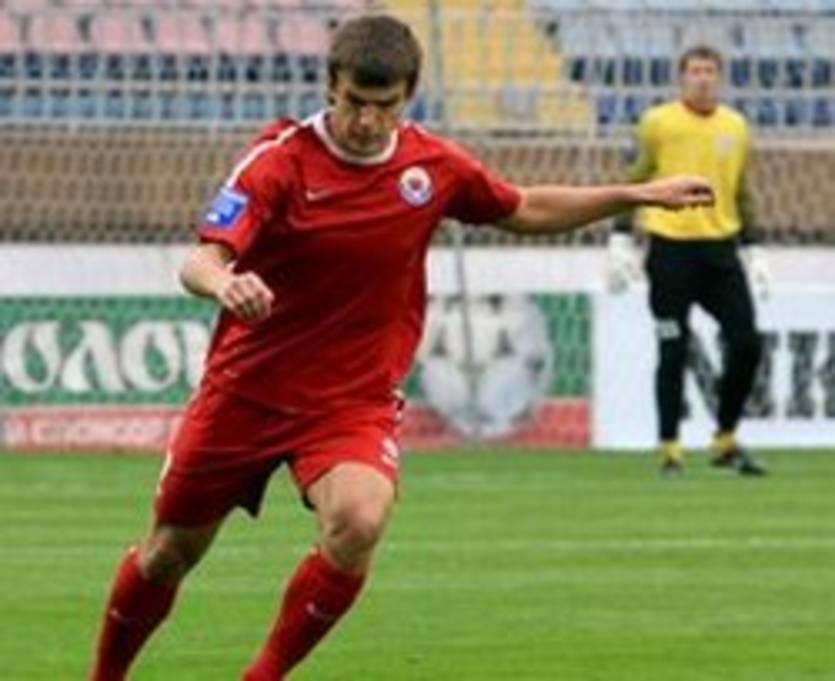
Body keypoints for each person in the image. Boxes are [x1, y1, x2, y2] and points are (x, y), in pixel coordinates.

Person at [89, 15, 715, 680]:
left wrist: (635, 195)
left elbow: (523, 207)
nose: (365, 120)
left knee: (359, 520)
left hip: (349, 402)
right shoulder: (279, 161)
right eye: (353, 102)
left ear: (408, 96)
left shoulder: (432, 167)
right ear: (330, 87)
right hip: (246, 392)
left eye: (383, 106)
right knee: (168, 553)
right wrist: (225, 281)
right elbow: (201, 258)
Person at [606, 45, 768, 478]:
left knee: (747, 343)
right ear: (681, 77)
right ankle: (670, 448)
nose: (703, 79)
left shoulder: (735, 125)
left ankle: (725, 438)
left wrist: (754, 248)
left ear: (720, 77)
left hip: (720, 249)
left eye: (710, 71)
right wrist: (621, 238)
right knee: (673, 347)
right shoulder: (658, 123)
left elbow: (741, 189)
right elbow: (635, 179)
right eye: (695, 71)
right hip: (669, 249)